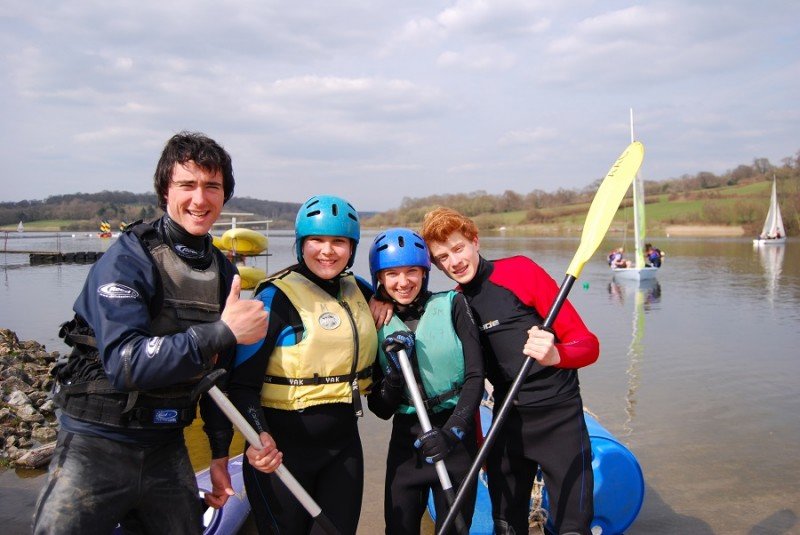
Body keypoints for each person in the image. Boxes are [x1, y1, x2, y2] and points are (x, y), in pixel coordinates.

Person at [33, 131, 270, 534]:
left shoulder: (223, 272)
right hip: (97, 444)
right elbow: (127, 364)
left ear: (224, 195)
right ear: (165, 191)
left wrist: (217, 456)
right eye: (187, 185)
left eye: (212, 186)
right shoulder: (128, 259)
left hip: (165, 444)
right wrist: (225, 330)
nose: (200, 199)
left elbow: (217, 377)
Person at [420, 207, 599, 535]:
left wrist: (556, 353)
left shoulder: (520, 272)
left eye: (458, 248)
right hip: (507, 422)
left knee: (573, 528)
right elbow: (470, 382)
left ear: (475, 241)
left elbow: (588, 345)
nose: (454, 261)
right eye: (443, 257)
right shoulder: (454, 305)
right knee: (505, 527)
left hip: (560, 419)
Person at [228, 195, 379, 535]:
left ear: (352, 248)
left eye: (339, 241)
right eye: (317, 240)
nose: (327, 251)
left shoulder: (361, 291)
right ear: (301, 244)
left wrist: (384, 303)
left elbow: (402, 304)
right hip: (281, 453)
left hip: (343, 450)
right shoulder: (274, 298)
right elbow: (241, 384)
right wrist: (257, 436)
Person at [366, 228, 484, 535]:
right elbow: (379, 408)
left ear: (424, 273)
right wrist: (393, 376)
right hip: (407, 446)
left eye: (411, 272)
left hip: (455, 441)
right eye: (391, 273)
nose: (402, 282)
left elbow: (476, 378)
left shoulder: (454, 305)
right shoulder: (376, 321)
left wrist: (452, 432)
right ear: (379, 278)